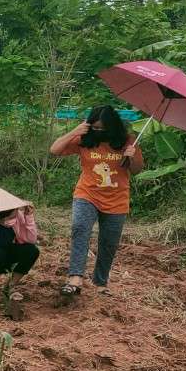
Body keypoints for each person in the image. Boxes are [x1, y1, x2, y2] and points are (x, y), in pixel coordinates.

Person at [50, 106, 143, 298]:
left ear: (112, 126)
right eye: (95, 127)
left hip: (117, 199)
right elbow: (54, 149)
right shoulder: (85, 139)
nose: (99, 131)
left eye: (103, 128)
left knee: (109, 243)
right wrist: (75, 131)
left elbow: (136, 170)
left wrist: (132, 157)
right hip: (87, 194)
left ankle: (100, 282)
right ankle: (75, 278)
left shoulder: (128, 141)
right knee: (80, 229)